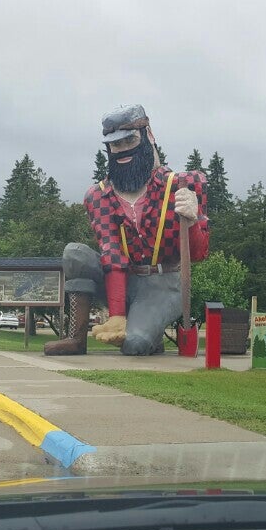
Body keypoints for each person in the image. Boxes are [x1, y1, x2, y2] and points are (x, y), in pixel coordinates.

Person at [44, 104, 209, 356]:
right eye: (115, 144)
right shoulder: (99, 195)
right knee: (75, 254)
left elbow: (197, 254)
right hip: (123, 278)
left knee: (134, 345)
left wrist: (193, 219)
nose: (122, 150)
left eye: (129, 140)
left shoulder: (183, 184)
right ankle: (76, 338)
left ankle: (148, 334)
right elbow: (111, 252)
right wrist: (117, 316)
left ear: (148, 136)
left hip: (162, 283)